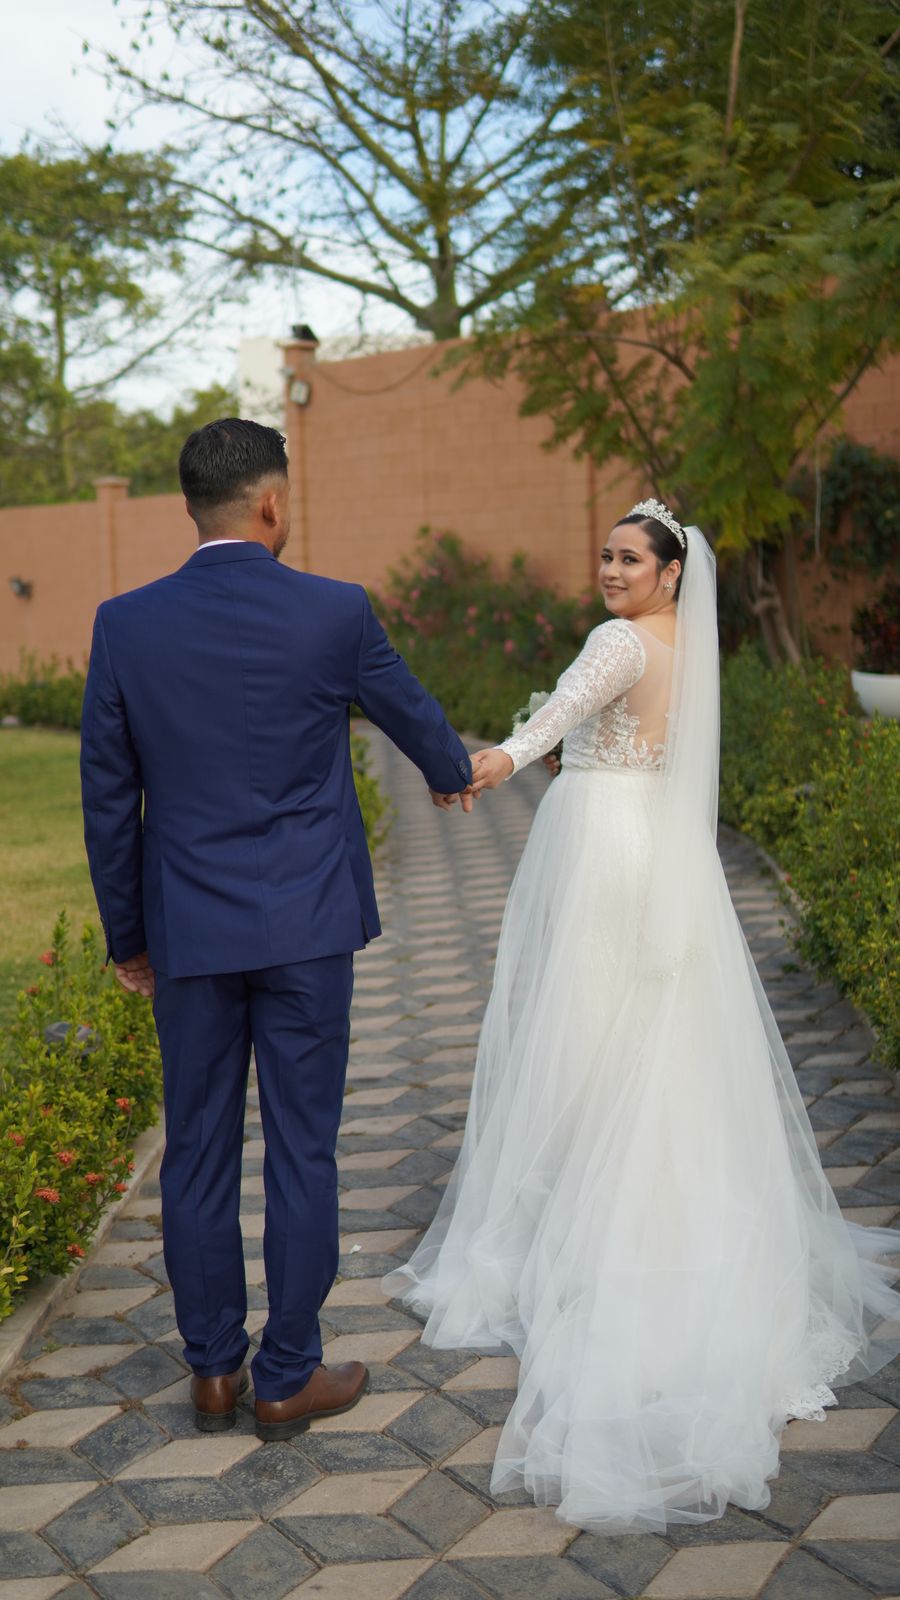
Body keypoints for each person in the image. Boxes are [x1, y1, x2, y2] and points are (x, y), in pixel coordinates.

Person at [384, 499, 900, 1533]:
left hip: (603, 841)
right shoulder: (685, 645)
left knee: (586, 1028)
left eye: (629, 557)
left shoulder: (619, 640)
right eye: (606, 555)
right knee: (653, 1032)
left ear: (669, 572)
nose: (611, 569)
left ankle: (596, 1222)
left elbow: (554, 721)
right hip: (659, 847)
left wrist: (483, 765)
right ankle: (658, 1207)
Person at [80, 417, 473, 1441]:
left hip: (191, 938)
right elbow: (419, 719)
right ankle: (287, 1373)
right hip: (306, 928)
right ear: (270, 503)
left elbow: (106, 796)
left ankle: (213, 1369)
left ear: (189, 506)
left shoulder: (126, 624)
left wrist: (129, 936)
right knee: (304, 1149)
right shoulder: (334, 611)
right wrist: (454, 772)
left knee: (197, 1152)